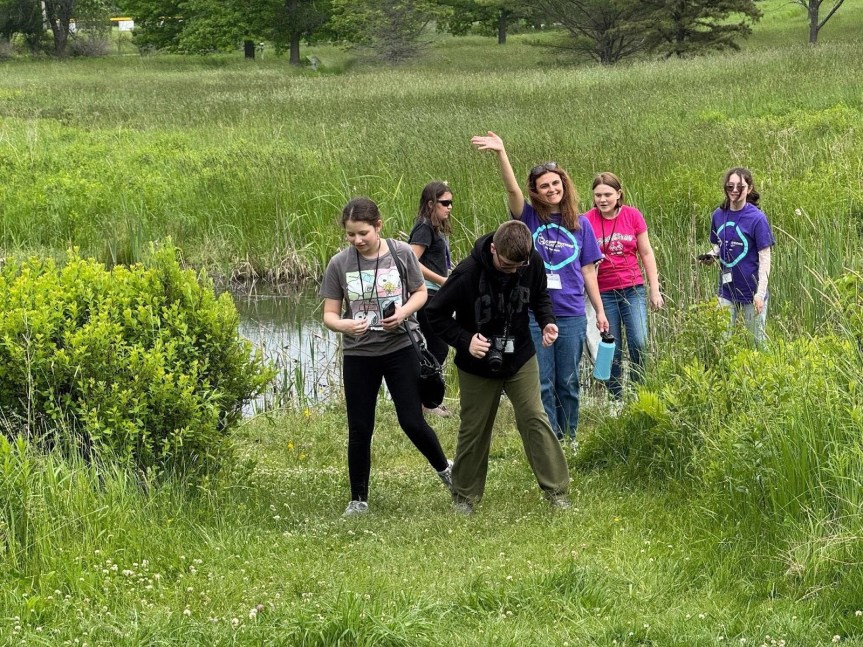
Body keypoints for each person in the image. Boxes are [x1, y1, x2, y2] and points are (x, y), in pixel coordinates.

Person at [471, 131, 608, 449]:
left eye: (556, 183)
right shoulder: (528, 217)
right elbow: (511, 188)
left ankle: (569, 438)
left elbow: (588, 269)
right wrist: (502, 152)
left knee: (569, 382)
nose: (552, 189)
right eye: (545, 186)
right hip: (533, 312)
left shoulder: (581, 224)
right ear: (536, 191)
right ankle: (550, 442)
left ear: (564, 184)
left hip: (572, 311)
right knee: (542, 381)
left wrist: (599, 312)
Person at [319, 197, 453, 517]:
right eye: (350, 235)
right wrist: (345, 325)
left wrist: (404, 312)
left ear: (378, 225)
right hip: (359, 353)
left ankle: (449, 473)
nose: (357, 240)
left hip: (399, 348)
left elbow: (420, 293)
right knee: (360, 427)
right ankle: (358, 500)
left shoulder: (401, 253)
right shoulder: (339, 263)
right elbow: (329, 315)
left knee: (411, 420)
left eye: (362, 232)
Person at [426, 220, 571, 514]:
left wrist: (548, 322)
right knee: (474, 428)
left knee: (534, 417)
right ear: (493, 249)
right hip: (476, 362)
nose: (513, 270)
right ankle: (464, 497)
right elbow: (434, 313)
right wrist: (465, 340)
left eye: (519, 266)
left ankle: (557, 491)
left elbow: (541, 296)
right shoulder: (467, 272)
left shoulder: (531, 263)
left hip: (520, 358)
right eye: (506, 265)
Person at [585, 172, 664, 400]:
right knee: (612, 347)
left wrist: (654, 288)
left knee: (639, 340)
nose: (603, 200)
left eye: (608, 194)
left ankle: (641, 391)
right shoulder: (587, 220)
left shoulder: (633, 215)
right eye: (598, 195)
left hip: (633, 288)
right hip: (603, 293)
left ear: (618, 194)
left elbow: (647, 253)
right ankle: (615, 398)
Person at [699, 167, 775, 346]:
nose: (734, 190)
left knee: (756, 343)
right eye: (730, 186)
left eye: (740, 186)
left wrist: (760, 293)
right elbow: (719, 245)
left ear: (749, 189)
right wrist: (711, 256)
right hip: (726, 289)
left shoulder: (757, 219)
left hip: (751, 290)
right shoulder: (718, 215)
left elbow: (765, 258)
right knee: (723, 342)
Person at [408, 181, 454, 418]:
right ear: (430, 204)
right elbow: (411, 261)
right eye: (444, 203)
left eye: (451, 203)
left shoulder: (434, 228)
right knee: (437, 346)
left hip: (437, 293)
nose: (449, 208)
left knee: (435, 346)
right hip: (427, 294)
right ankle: (427, 402)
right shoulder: (424, 228)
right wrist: (442, 280)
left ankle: (425, 400)